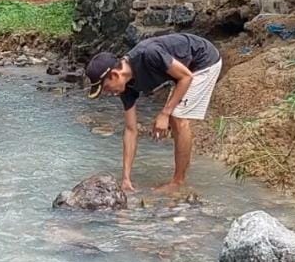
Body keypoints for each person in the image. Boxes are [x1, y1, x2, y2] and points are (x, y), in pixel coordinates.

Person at [85, 32, 223, 193]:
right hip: (184, 70)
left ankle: (178, 183)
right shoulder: (125, 88)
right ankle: (177, 179)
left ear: (115, 75)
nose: (109, 93)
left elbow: (186, 77)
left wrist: (164, 113)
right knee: (173, 116)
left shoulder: (148, 54)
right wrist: (126, 178)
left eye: (107, 88)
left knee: (177, 118)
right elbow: (130, 130)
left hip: (203, 60)